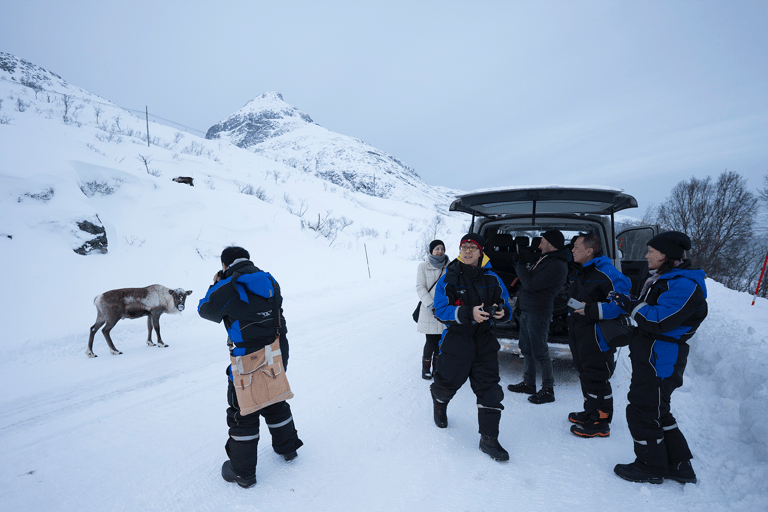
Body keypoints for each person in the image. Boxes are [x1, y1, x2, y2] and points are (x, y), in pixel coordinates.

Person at [198, 246, 303, 488]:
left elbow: (205, 309)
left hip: (246, 355)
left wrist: (217, 282)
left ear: (225, 265)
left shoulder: (229, 284)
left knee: (243, 410)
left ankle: (242, 473)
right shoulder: (268, 278)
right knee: (274, 396)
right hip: (276, 349)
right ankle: (288, 449)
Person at [609, 232, 707, 485]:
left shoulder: (684, 284)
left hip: (661, 356)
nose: (646, 255)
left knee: (643, 409)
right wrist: (630, 302)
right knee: (657, 409)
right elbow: (652, 312)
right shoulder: (666, 279)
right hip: (653, 352)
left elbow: (658, 320)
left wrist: (630, 306)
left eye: (652, 251)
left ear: (667, 255)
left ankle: (649, 466)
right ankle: (679, 465)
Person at [430, 233, 512, 461]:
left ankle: (489, 440)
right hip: (456, 340)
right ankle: (439, 405)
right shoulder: (449, 276)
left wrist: (503, 312)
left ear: (481, 252)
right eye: (463, 246)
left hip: (484, 341)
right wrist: (468, 313)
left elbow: (505, 303)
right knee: (445, 384)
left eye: (472, 247)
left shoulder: (493, 277)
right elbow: (439, 310)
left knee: (490, 390)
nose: (467, 251)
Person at [567, 233, 631, 438]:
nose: (572, 250)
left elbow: (620, 304)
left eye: (576, 246)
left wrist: (590, 310)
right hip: (579, 331)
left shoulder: (608, 273)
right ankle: (590, 410)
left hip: (597, 335)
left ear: (589, 251)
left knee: (597, 377)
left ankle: (601, 421)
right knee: (585, 373)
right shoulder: (584, 271)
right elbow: (578, 299)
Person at [507, 230, 570, 404]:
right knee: (526, 348)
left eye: (542, 241)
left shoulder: (557, 265)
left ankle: (548, 390)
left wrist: (519, 266)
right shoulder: (548, 259)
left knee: (540, 351)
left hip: (538, 312)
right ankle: (529, 383)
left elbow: (530, 284)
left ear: (551, 243)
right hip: (528, 310)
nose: (540, 245)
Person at [416, 239, 449, 379]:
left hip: (444, 308)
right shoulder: (423, 266)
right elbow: (420, 287)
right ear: (431, 251)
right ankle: (425, 369)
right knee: (430, 340)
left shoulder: (449, 266)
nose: (439, 251)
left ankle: (437, 368)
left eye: (442, 248)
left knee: (441, 340)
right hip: (428, 309)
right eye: (436, 248)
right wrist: (430, 304)